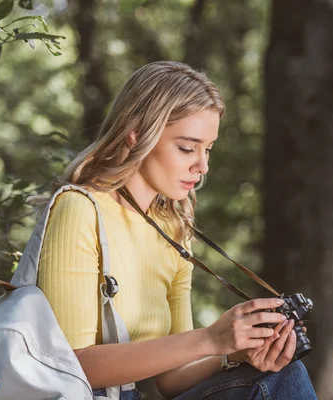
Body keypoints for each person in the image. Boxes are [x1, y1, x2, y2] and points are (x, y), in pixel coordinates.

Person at [35, 61, 317, 400]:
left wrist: (236, 351)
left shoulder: (173, 229)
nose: (203, 165)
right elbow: (72, 367)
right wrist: (211, 338)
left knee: (280, 374)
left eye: (207, 149)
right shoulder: (80, 209)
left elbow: (171, 380)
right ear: (137, 133)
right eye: (187, 147)